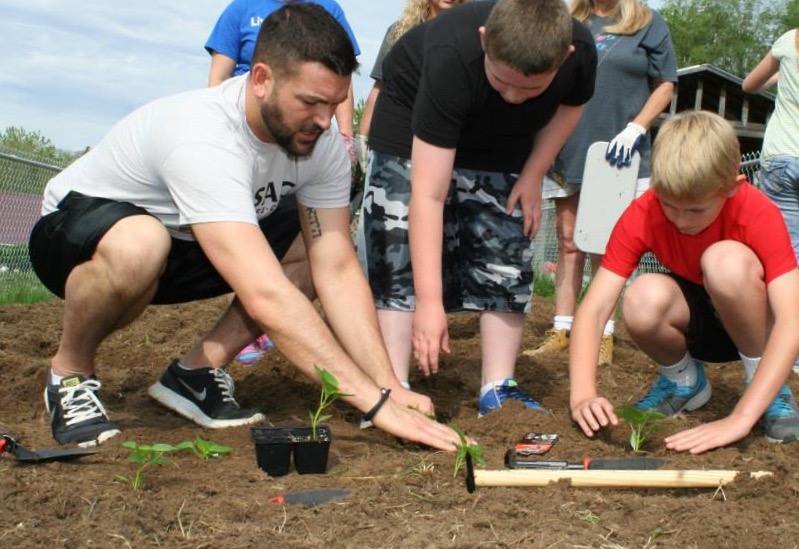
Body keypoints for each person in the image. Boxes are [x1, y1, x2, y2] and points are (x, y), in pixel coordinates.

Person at [28, 4, 464, 453]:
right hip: (78, 236)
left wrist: (388, 387)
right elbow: (267, 295)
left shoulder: (324, 143)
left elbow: (334, 266)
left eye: (333, 105)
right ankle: (70, 373)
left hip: (185, 244)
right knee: (141, 243)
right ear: (261, 80)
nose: (323, 120)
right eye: (311, 102)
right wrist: (375, 406)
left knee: (313, 251)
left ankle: (195, 374)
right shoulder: (203, 135)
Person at [358, 0, 597, 416]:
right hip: (410, 123)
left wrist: (532, 173)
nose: (514, 96)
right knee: (395, 243)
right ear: (486, 41)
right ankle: (393, 385)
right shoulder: (451, 54)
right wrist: (430, 305)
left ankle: (498, 386)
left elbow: (570, 109)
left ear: (565, 57)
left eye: (532, 88)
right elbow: (428, 196)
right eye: (503, 81)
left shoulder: (581, 51)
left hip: (502, 142)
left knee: (505, 237)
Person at [568, 110, 799, 454]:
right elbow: (595, 307)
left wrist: (740, 418)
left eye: (695, 210)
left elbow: (792, 320)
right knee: (640, 296)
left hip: (754, 325)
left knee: (725, 263)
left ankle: (766, 387)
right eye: (669, 205)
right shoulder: (643, 212)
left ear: (732, 189)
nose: (679, 219)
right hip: (696, 326)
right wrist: (583, 393)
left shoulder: (757, 211)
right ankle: (684, 382)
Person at [206, 0, 362, 366]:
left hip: (295, 144)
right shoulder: (241, 9)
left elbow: (339, 77)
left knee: (312, 242)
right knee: (246, 247)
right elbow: (218, 76)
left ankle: (239, 340)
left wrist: (344, 136)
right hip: (253, 128)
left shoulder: (328, 8)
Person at [525, 0, 676, 367]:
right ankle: (562, 328)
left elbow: (666, 84)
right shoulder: (569, 20)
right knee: (568, 240)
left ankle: (602, 333)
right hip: (568, 145)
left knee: (607, 244)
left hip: (617, 152)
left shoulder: (648, 23)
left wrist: (637, 126)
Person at [353, 0, 471, 173]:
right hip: (397, 142)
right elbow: (381, 86)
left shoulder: (471, 33)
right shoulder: (399, 31)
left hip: (448, 143)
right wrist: (362, 135)